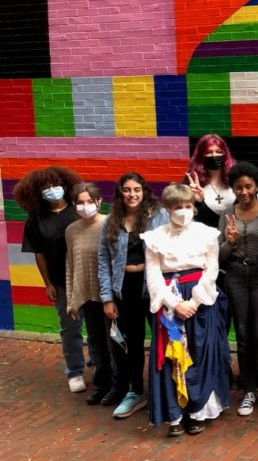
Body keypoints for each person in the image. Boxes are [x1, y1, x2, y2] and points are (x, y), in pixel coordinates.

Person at [143, 183, 231, 437]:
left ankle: (197, 411)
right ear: (168, 209)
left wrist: (194, 301)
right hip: (169, 302)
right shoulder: (154, 237)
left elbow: (212, 270)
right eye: (177, 207)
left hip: (200, 301)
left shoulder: (207, 233)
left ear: (194, 207)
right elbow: (153, 274)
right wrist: (174, 304)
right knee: (172, 356)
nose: (183, 211)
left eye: (187, 206)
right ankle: (174, 414)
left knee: (201, 353)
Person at [98, 173, 169, 417]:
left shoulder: (158, 216)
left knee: (163, 340)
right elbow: (103, 261)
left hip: (152, 287)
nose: (132, 194)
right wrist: (107, 297)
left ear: (144, 191)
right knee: (132, 345)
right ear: (120, 193)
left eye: (136, 189)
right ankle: (136, 391)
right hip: (124, 288)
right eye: (127, 190)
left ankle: (164, 392)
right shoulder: (111, 222)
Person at [218, 161, 258, 417]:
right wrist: (230, 243)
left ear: (256, 186)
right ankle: (249, 389)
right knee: (242, 336)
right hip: (235, 276)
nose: (243, 192)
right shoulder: (226, 215)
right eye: (238, 187)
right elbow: (219, 256)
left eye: (248, 186)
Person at [14, 166, 84, 392]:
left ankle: (100, 362)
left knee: (97, 325)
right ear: (37, 193)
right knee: (69, 326)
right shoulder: (36, 220)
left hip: (86, 277)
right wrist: (48, 283)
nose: (52, 190)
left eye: (56, 185)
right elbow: (39, 253)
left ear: (65, 185)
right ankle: (75, 370)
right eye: (46, 188)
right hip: (60, 280)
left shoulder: (79, 210)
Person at [65, 182, 114, 405]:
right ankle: (102, 385)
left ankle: (120, 385)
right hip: (87, 296)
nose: (85, 206)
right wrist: (71, 299)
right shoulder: (71, 230)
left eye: (89, 202)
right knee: (96, 343)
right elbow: (71, 265)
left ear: (99, 201)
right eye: (80, 203)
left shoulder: (110, 223)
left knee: (114, 341)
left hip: (109, 296)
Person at [184, 134, 236, 228]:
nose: (214, 156)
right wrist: (197, 202)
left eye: (218, 151)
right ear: (201, 155)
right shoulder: (192, 181)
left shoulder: (236, 176)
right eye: (208, 152)